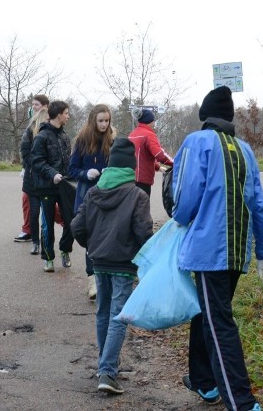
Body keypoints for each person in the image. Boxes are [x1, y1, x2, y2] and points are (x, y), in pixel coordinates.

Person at [171, 86, 263, 411]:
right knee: (204, 312)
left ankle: (242, 403)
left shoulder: (197, 142)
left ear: (205, 117)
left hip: (208, 251)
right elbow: (259, 202)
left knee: (218, 323)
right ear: (229, 119)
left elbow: (185, 199)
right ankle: (204, 382)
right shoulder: (244, 149)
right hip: (236, 252)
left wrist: (178, 215)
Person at [70, 138, 152, 396]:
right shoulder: (137, 194)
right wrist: (145, 255)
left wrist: (92, 246)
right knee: (119, 317)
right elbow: (143, 232)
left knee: (103, 313)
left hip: (99, 262)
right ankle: (107, 371)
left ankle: (107, 366)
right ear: (131, 167)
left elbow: (77, 227)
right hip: (123, 265)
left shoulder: (93, 192)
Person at [68, 104, 114, 300]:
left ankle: (105, 277)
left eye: (107, 121)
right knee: (91, 237)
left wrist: (109, 171)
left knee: (107, 236)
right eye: (101, 121)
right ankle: (92, 279)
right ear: (93, 120)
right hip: (87, 194)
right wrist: (85, 173)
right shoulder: (82, 141)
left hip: (108, 193)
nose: (104, 124)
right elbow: (72, 170)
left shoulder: (112, 140)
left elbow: (118, 164)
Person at [30, 100, 74, 272]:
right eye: (67, 113)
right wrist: (52, 174)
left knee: (71, 221)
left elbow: (68, 161)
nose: (68, 116)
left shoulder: (64, 136)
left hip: (64, 186)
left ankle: (65, 250)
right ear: (59, 115)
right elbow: (37, 162)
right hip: (46, 187)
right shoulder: (41, 137)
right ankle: (48, 258)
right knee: (47, 223)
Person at [15, 94, 50, 243]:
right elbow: (25, 148)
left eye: (36, 104)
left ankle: (67, 223)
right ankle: (28, 230)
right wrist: (26, 166)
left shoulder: (51, 123)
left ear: (45, 106)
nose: (33, 107)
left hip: (47, 173)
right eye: (33, 104)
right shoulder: (31, 125)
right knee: (27, 200)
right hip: (31, 172)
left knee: (52, 205)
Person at [128, 107, 173, 196]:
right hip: (143, 181)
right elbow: (160, 154)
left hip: (130, 178)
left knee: (132, 207)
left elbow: (141, 156)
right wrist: (175, 163)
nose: (154, 123)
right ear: (150, 121)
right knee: (142, 207)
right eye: (153, 121)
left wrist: (157, 167)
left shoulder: (132, 135)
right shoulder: (149, 135)